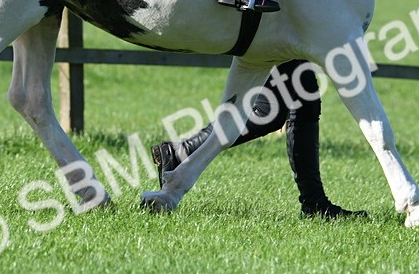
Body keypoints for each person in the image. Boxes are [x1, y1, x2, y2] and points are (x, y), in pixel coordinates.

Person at [151, 60, 367, 218]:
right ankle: (179, 153)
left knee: (298, 98)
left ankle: (315, 202)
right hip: (274, 14)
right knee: (272, 110)